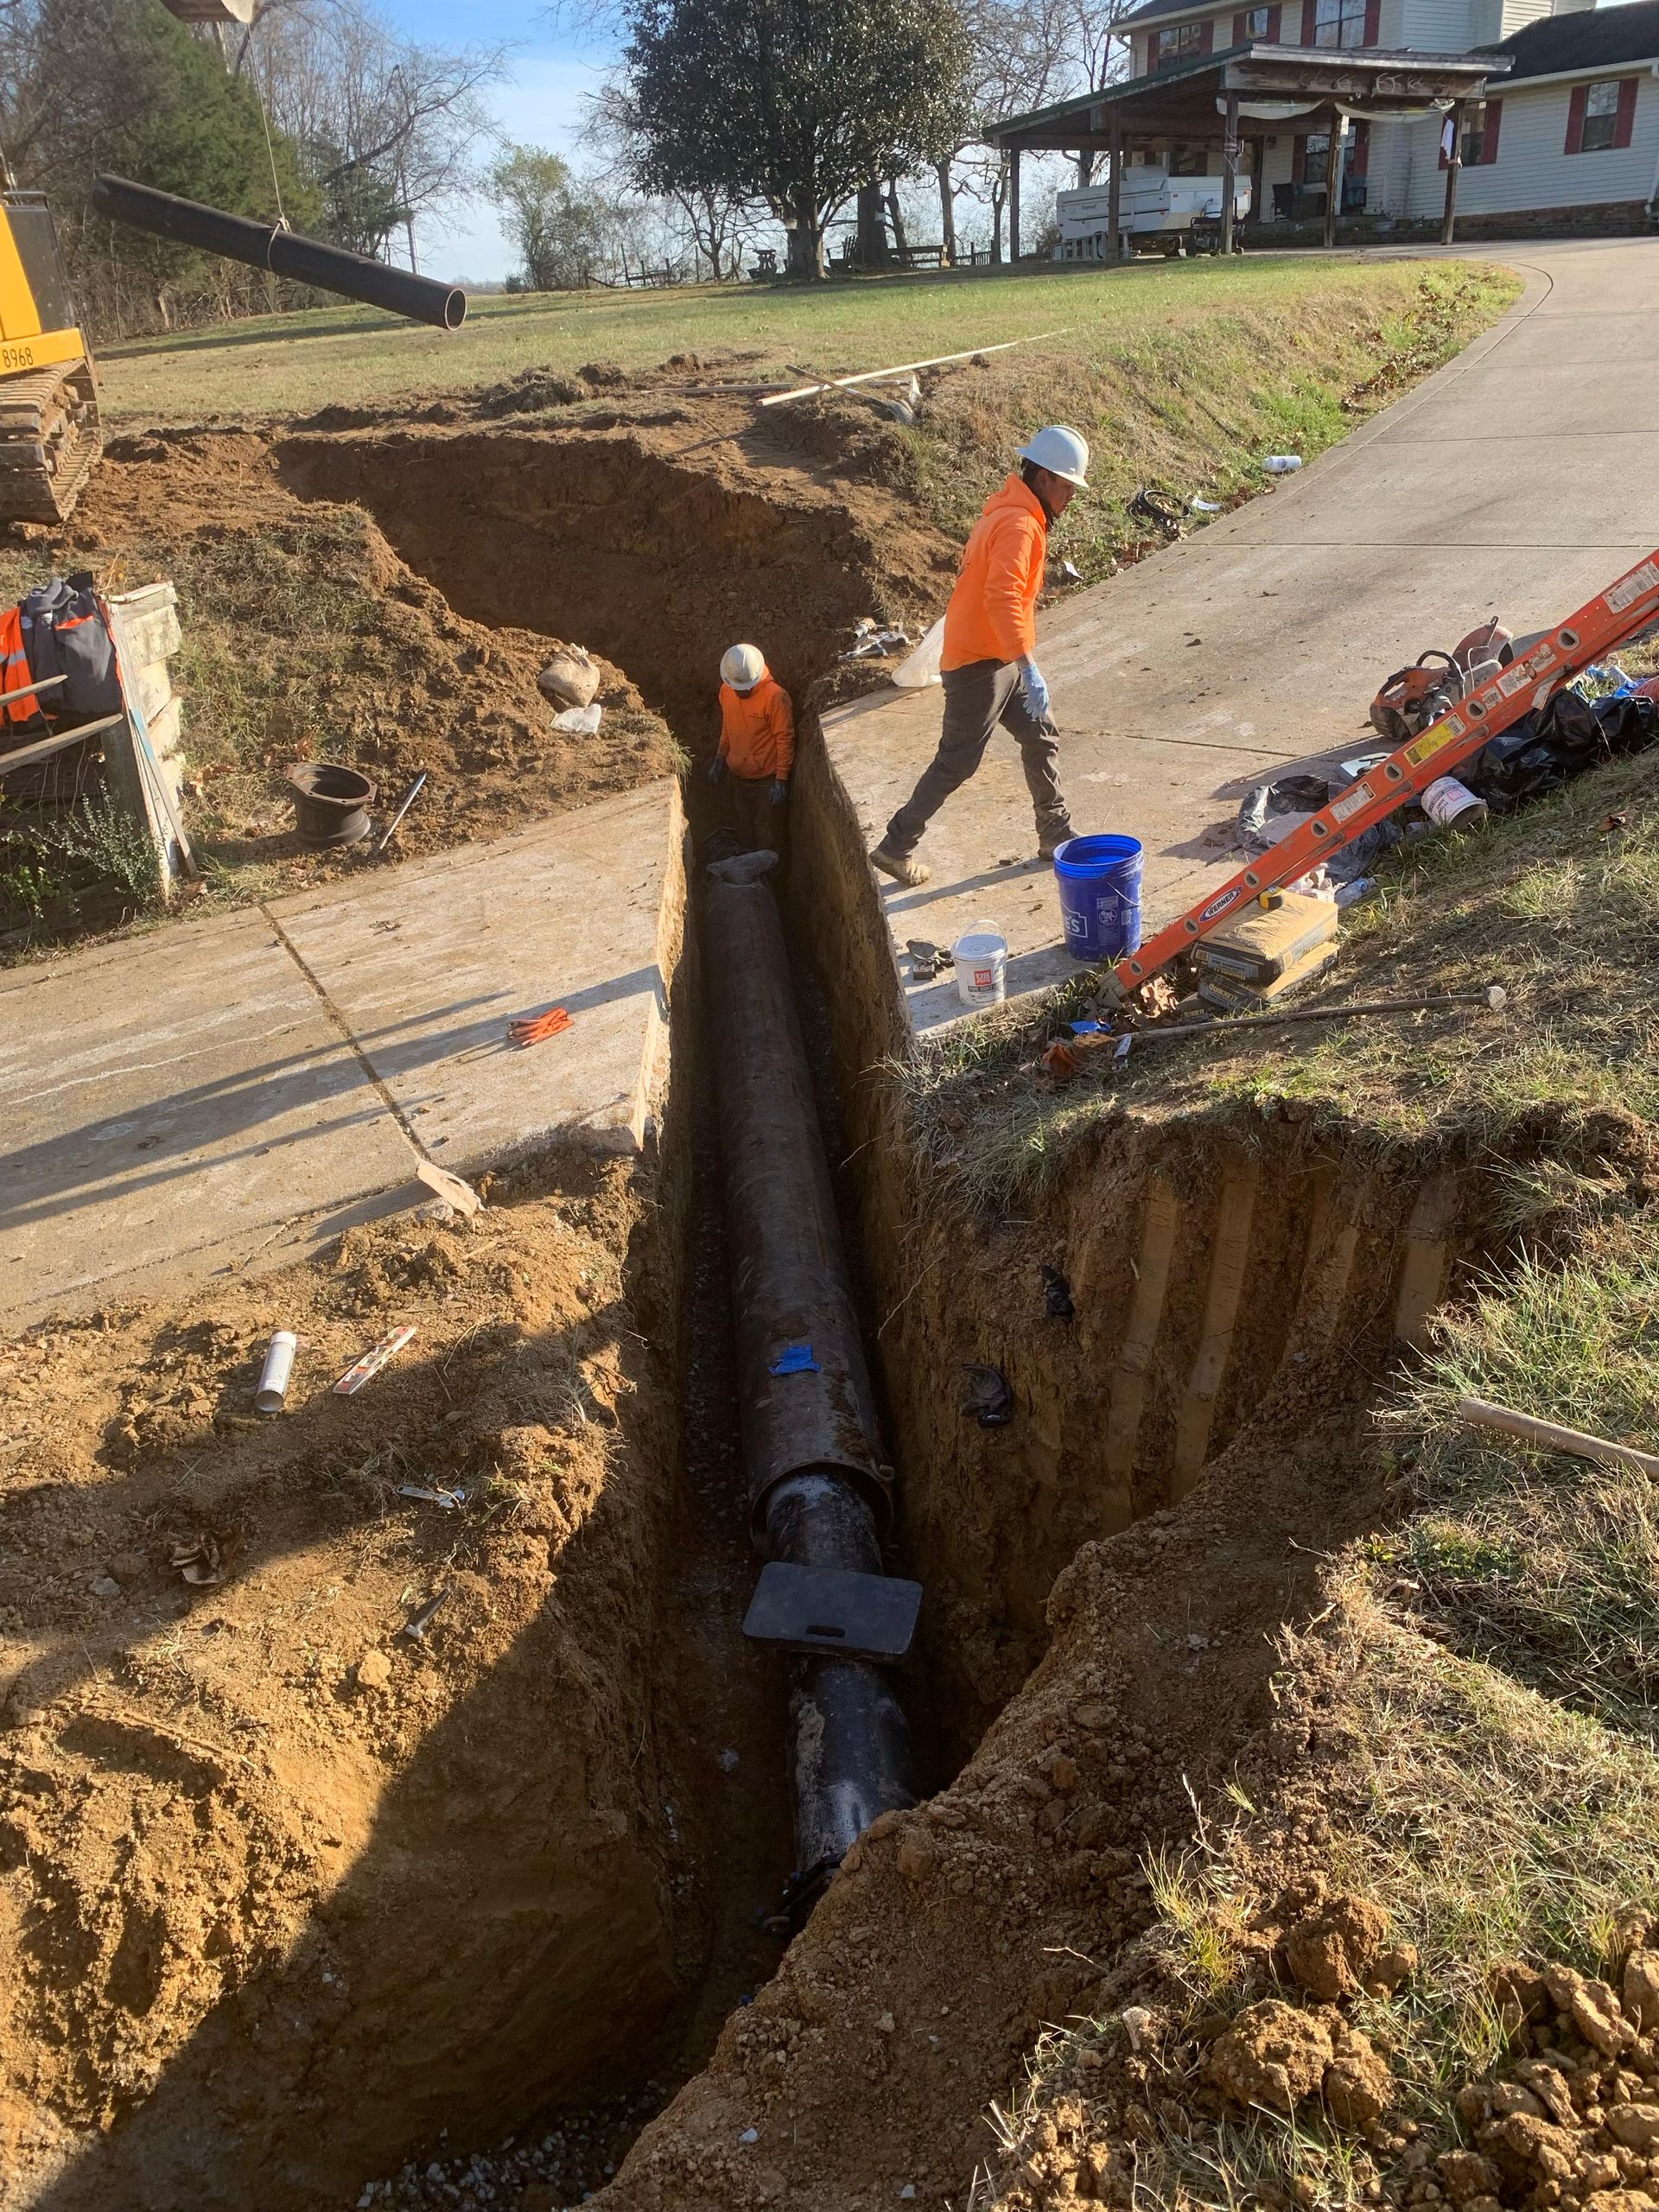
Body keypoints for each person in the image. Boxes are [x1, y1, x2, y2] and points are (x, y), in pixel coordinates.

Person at [869, 425, 1089, 888]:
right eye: (1068, 486)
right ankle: (896, 846)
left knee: (1040, 736)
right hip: (978, 665)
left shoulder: (1008, 514)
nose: (1071, 496)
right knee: (957, 762)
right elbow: (1003, 596)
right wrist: (1027, 664)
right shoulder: (1018, 524)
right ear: (1045, 477)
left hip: (998, 658)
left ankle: (1055, 833)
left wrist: (1020, 663)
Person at [708, 642, 793, 856]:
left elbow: (785, 738)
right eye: (738, 688)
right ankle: (748, 882)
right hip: (738, 776)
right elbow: (728, 725)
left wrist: (781, 780)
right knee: (745, 832)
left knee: (768, 837)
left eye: (747, 689)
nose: (741, 693)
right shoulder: (727, 690)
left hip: (766, 781)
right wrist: (720, 759)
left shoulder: (775, 697)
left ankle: (771, 882)